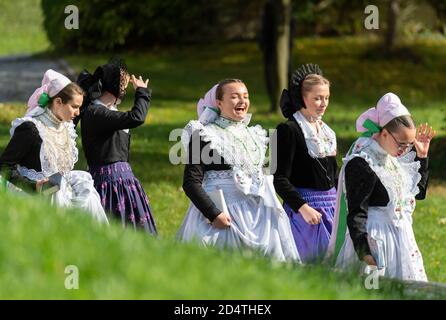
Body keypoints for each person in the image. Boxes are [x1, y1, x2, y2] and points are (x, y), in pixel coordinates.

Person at [177, 79, 300, 263]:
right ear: (219, 103)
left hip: (260, 217)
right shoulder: (203, 135)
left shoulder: (254, 135)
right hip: (223, 215)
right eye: (234, 97)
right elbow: (191, 182)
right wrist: (213, 213)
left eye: (245, 96)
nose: (242, 101)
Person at [327, 92, 435, 281]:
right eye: (402, 143)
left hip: (401, 241)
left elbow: (418, 194)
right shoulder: (362, 163)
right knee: (375, 290)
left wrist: (422, 156)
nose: (404, 149)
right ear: (384, 133)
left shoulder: (393, 159)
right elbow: (356, 213)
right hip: (377, 241)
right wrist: (365, 252)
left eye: (409, 145)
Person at [0, 69, 108, 223]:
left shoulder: (66, 127)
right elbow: (4, 166)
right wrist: (34, 186)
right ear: (58, 102)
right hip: (35, 200)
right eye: (74, 106)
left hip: (62, 194)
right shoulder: (31, 128)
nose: (78, 113)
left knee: (88, 197)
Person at [76, 58, 157, 235]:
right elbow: (136, 117)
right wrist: (142, 93)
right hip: (108, 184)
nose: (125, 91)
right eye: (123, 86)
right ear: (115, 86)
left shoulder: (106, 111)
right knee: (115, 230)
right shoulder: (95, 112)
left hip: (124, 181)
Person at [273, 64, 337, 263]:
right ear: (302, 98)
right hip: (306, 211)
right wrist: (303, 207)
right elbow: (279, 179)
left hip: (333, 208)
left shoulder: (327, 132)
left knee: (337, 270)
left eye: (326, 98)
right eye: (317, 98)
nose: (323, 103)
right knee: (310, 266)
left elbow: (335, 176)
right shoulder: (288, 130)